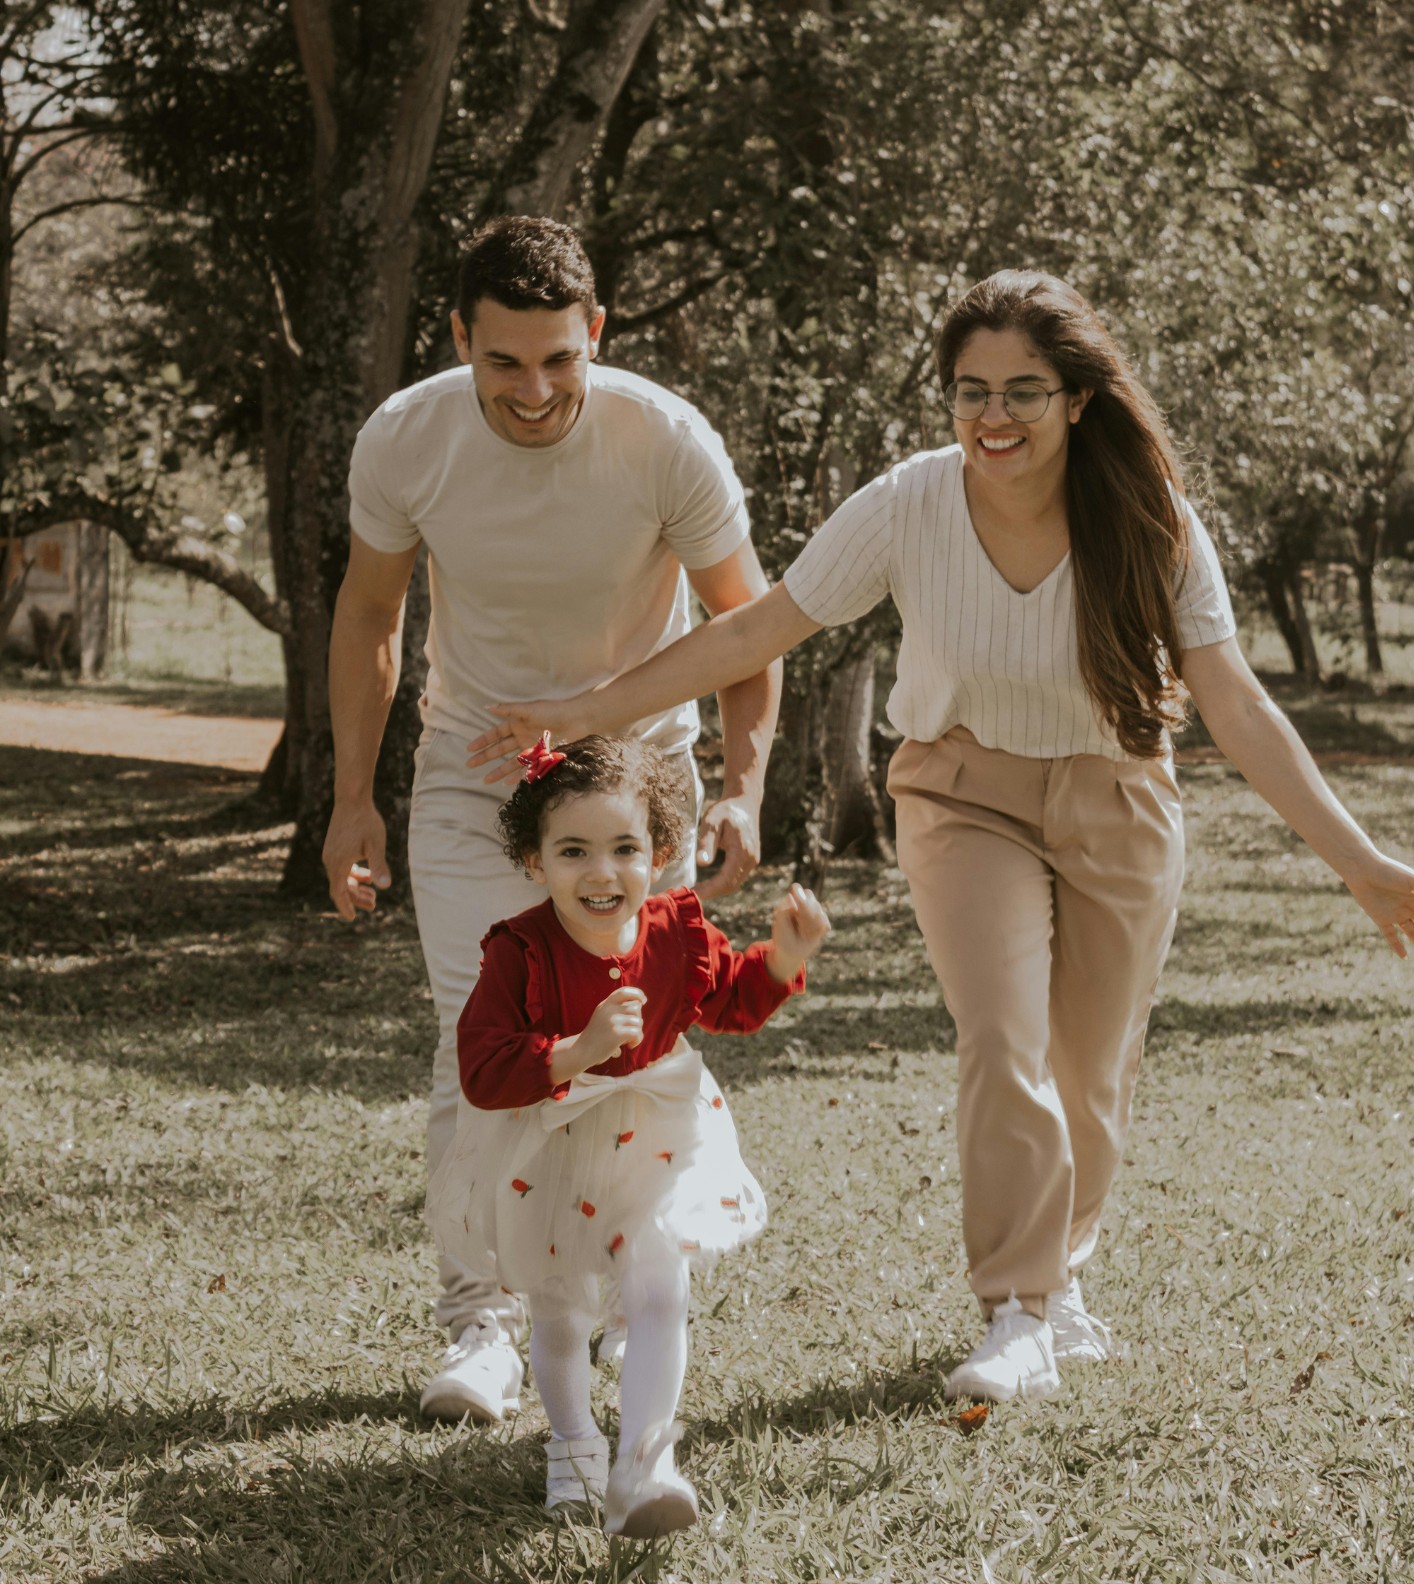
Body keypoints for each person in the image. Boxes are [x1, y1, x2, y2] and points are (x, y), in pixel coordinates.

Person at [469, 268, 1414, 1405]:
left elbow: (1234, 701)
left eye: (1023, 391)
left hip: (1117, 794)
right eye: (972, 390)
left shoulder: (1146, 513)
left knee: (1092, 1069)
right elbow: (760, 626)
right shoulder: (909, 501)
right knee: (1005, 1038)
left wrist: (1361, 863)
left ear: (1076, 399)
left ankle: (1062, 1278)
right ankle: (1016, 1308)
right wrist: (584, 713)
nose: (993, 416)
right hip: (962, 794)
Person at [322, 216, 781, 1422]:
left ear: (598, 334)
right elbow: (369, 614)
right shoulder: (407, 437)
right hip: (475, 775)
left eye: (560, 359)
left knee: (635, 1043)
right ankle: (480, 1325)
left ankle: (628, 1299)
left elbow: (748, 625)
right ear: (458, 338)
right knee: (479, 1039)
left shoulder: (665, 438)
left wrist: (743, 783)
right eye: (504, 362)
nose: (534, 391)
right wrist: (353, 796)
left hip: (637, 784)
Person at [428, 733, 829, 1533]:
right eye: (573, 851)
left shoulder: (677, 932)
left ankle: (646, 1463)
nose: (601, 872)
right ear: (536, 861)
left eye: (624, 849)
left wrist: (783, 959)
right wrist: (575, 1052)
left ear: (660, 854)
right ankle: (573, 1444)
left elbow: (732, 1000)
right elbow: (482, 1067)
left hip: (657, 1137)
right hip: (555, 1148)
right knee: (561, 1310)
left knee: (659, 1284)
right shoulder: (519, 952)